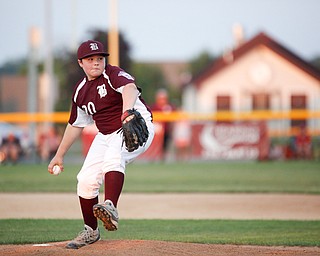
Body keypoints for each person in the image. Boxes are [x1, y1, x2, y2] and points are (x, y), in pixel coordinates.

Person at [48, 40, 154, 249]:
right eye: (90, 59)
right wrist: (59, 155)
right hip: (106, 134)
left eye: (100, 58)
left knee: (115, 157)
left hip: (135, 124)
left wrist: (127, 112)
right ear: (81, 63)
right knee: (85, 180)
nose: (96, 62)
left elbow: (130, 88)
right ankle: (91, 230)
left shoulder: (112, 74)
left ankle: (110, 206)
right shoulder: (80, 91)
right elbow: (75, 125)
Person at [150, 89, 176, 160]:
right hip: (157, 131)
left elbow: (173, 119)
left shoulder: (169, 107)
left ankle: (163, 158)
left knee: (166, 145)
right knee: (156, 145)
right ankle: (154, 157)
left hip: (166, 130)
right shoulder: (154, 107)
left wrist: (172, 128)